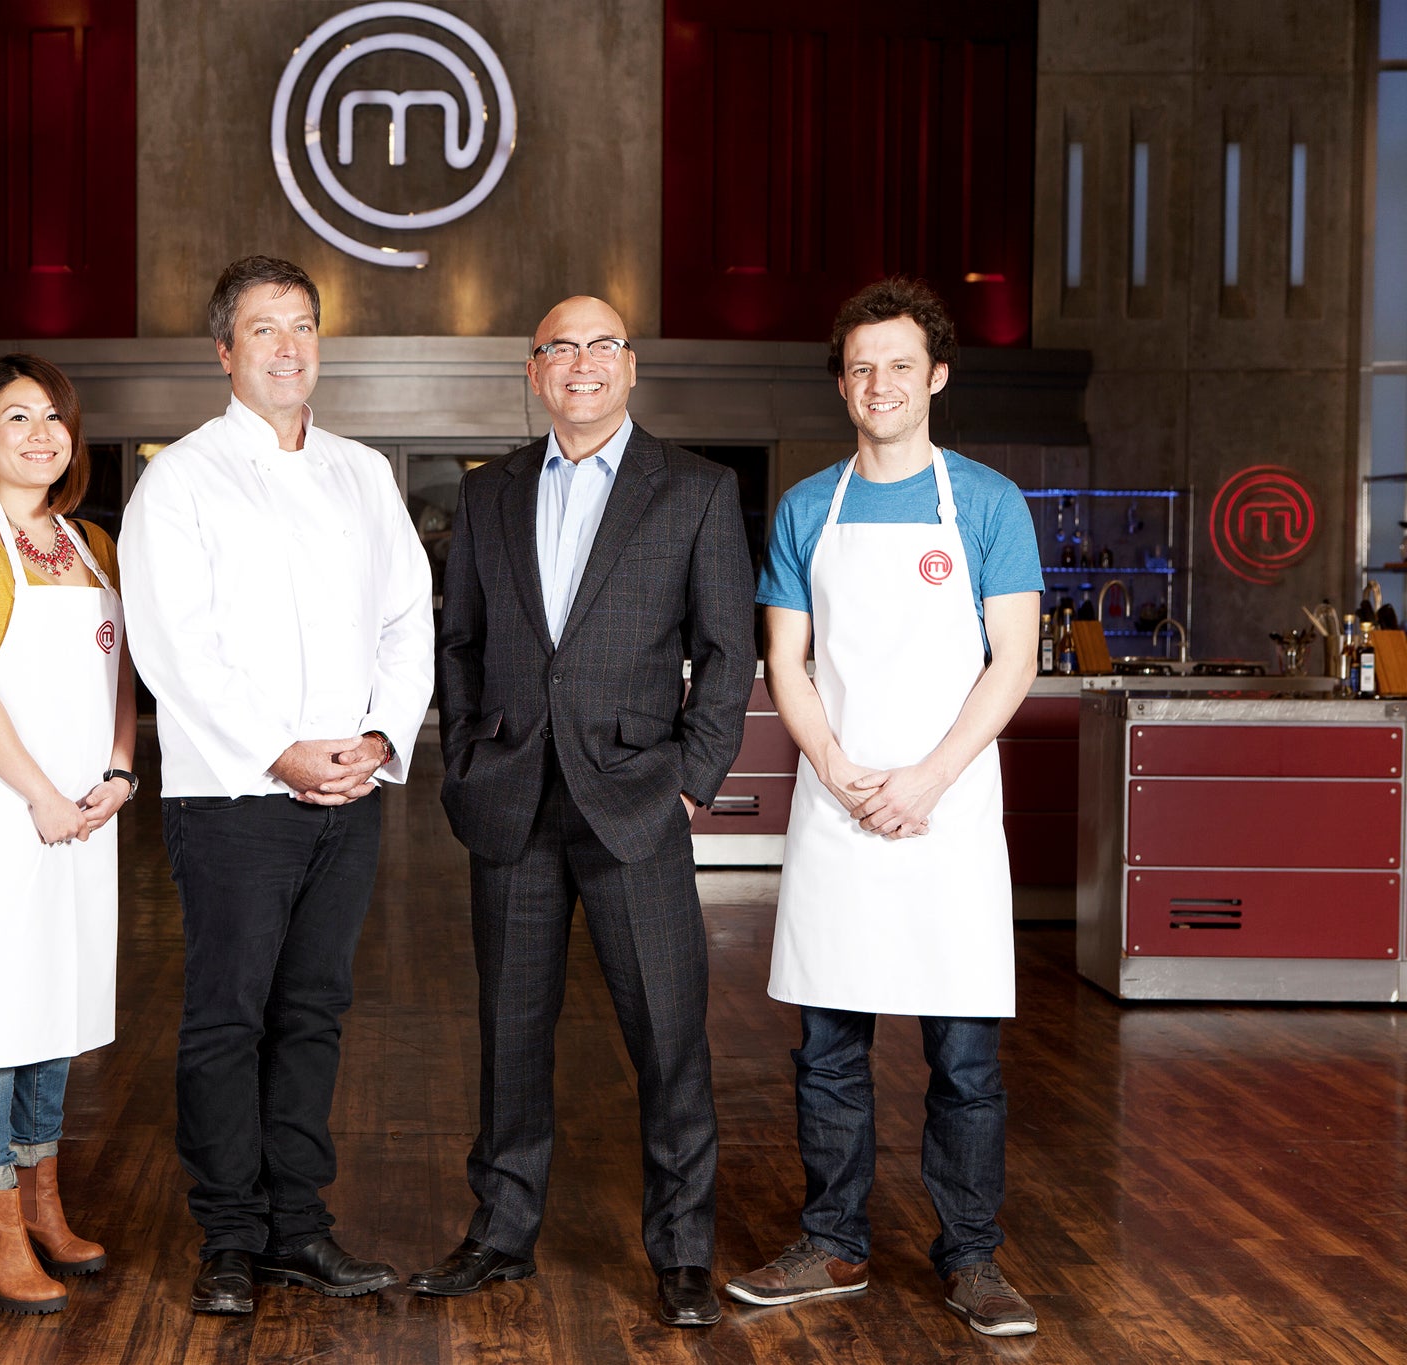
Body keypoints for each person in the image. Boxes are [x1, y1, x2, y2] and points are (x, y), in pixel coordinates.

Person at [414, 295, 757, 1327]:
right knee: (509, 1033)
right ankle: (501, 1233)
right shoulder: (488, 496)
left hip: (635, 805)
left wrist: (689, 779)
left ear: (628, 365)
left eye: (597, 345)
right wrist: (468, 760)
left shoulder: (695, 491)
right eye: (557, 347)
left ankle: (682, 1249)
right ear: (533, 372)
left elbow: (727, 654)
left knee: (667, 1033)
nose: (578, 363)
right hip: (511, 805)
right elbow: (460, 645)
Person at [726, 277, 1042, 1337]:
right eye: (861, 366)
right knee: (825, 1049)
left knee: (960, 1057)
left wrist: (925, 778)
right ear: (841, 382)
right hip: (837, 811)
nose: (879, 384)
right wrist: (840, 770)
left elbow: (1012, 661)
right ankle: (831, 1243)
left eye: (899, 365)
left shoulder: (987, 504)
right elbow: (786, 663)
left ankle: (972, 1260)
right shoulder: (806, 508)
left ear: (934, 377)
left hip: (945, 814)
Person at [118, 255, 433, 1315]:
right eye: (265, 329)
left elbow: (405, 620)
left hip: (350, 794)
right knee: (226, 1015)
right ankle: (228, 1238)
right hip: (232, 796)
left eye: (302, 325)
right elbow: (174, 649)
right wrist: (279, 751)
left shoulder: (361, 473)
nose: (289, 345)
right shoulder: (181, 479)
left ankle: (298, 1227)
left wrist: (380, 739)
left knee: (313, 1012)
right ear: (225, 351)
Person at [0, 354, 137, 1315]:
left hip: (87, 812)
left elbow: (123, 679)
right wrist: (45, 795)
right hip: (5, 808)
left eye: (54, 416)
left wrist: (122, 770)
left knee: (60, 993)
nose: (41, 433)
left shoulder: (94, 543)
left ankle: (44, 1195)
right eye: (17, 416)